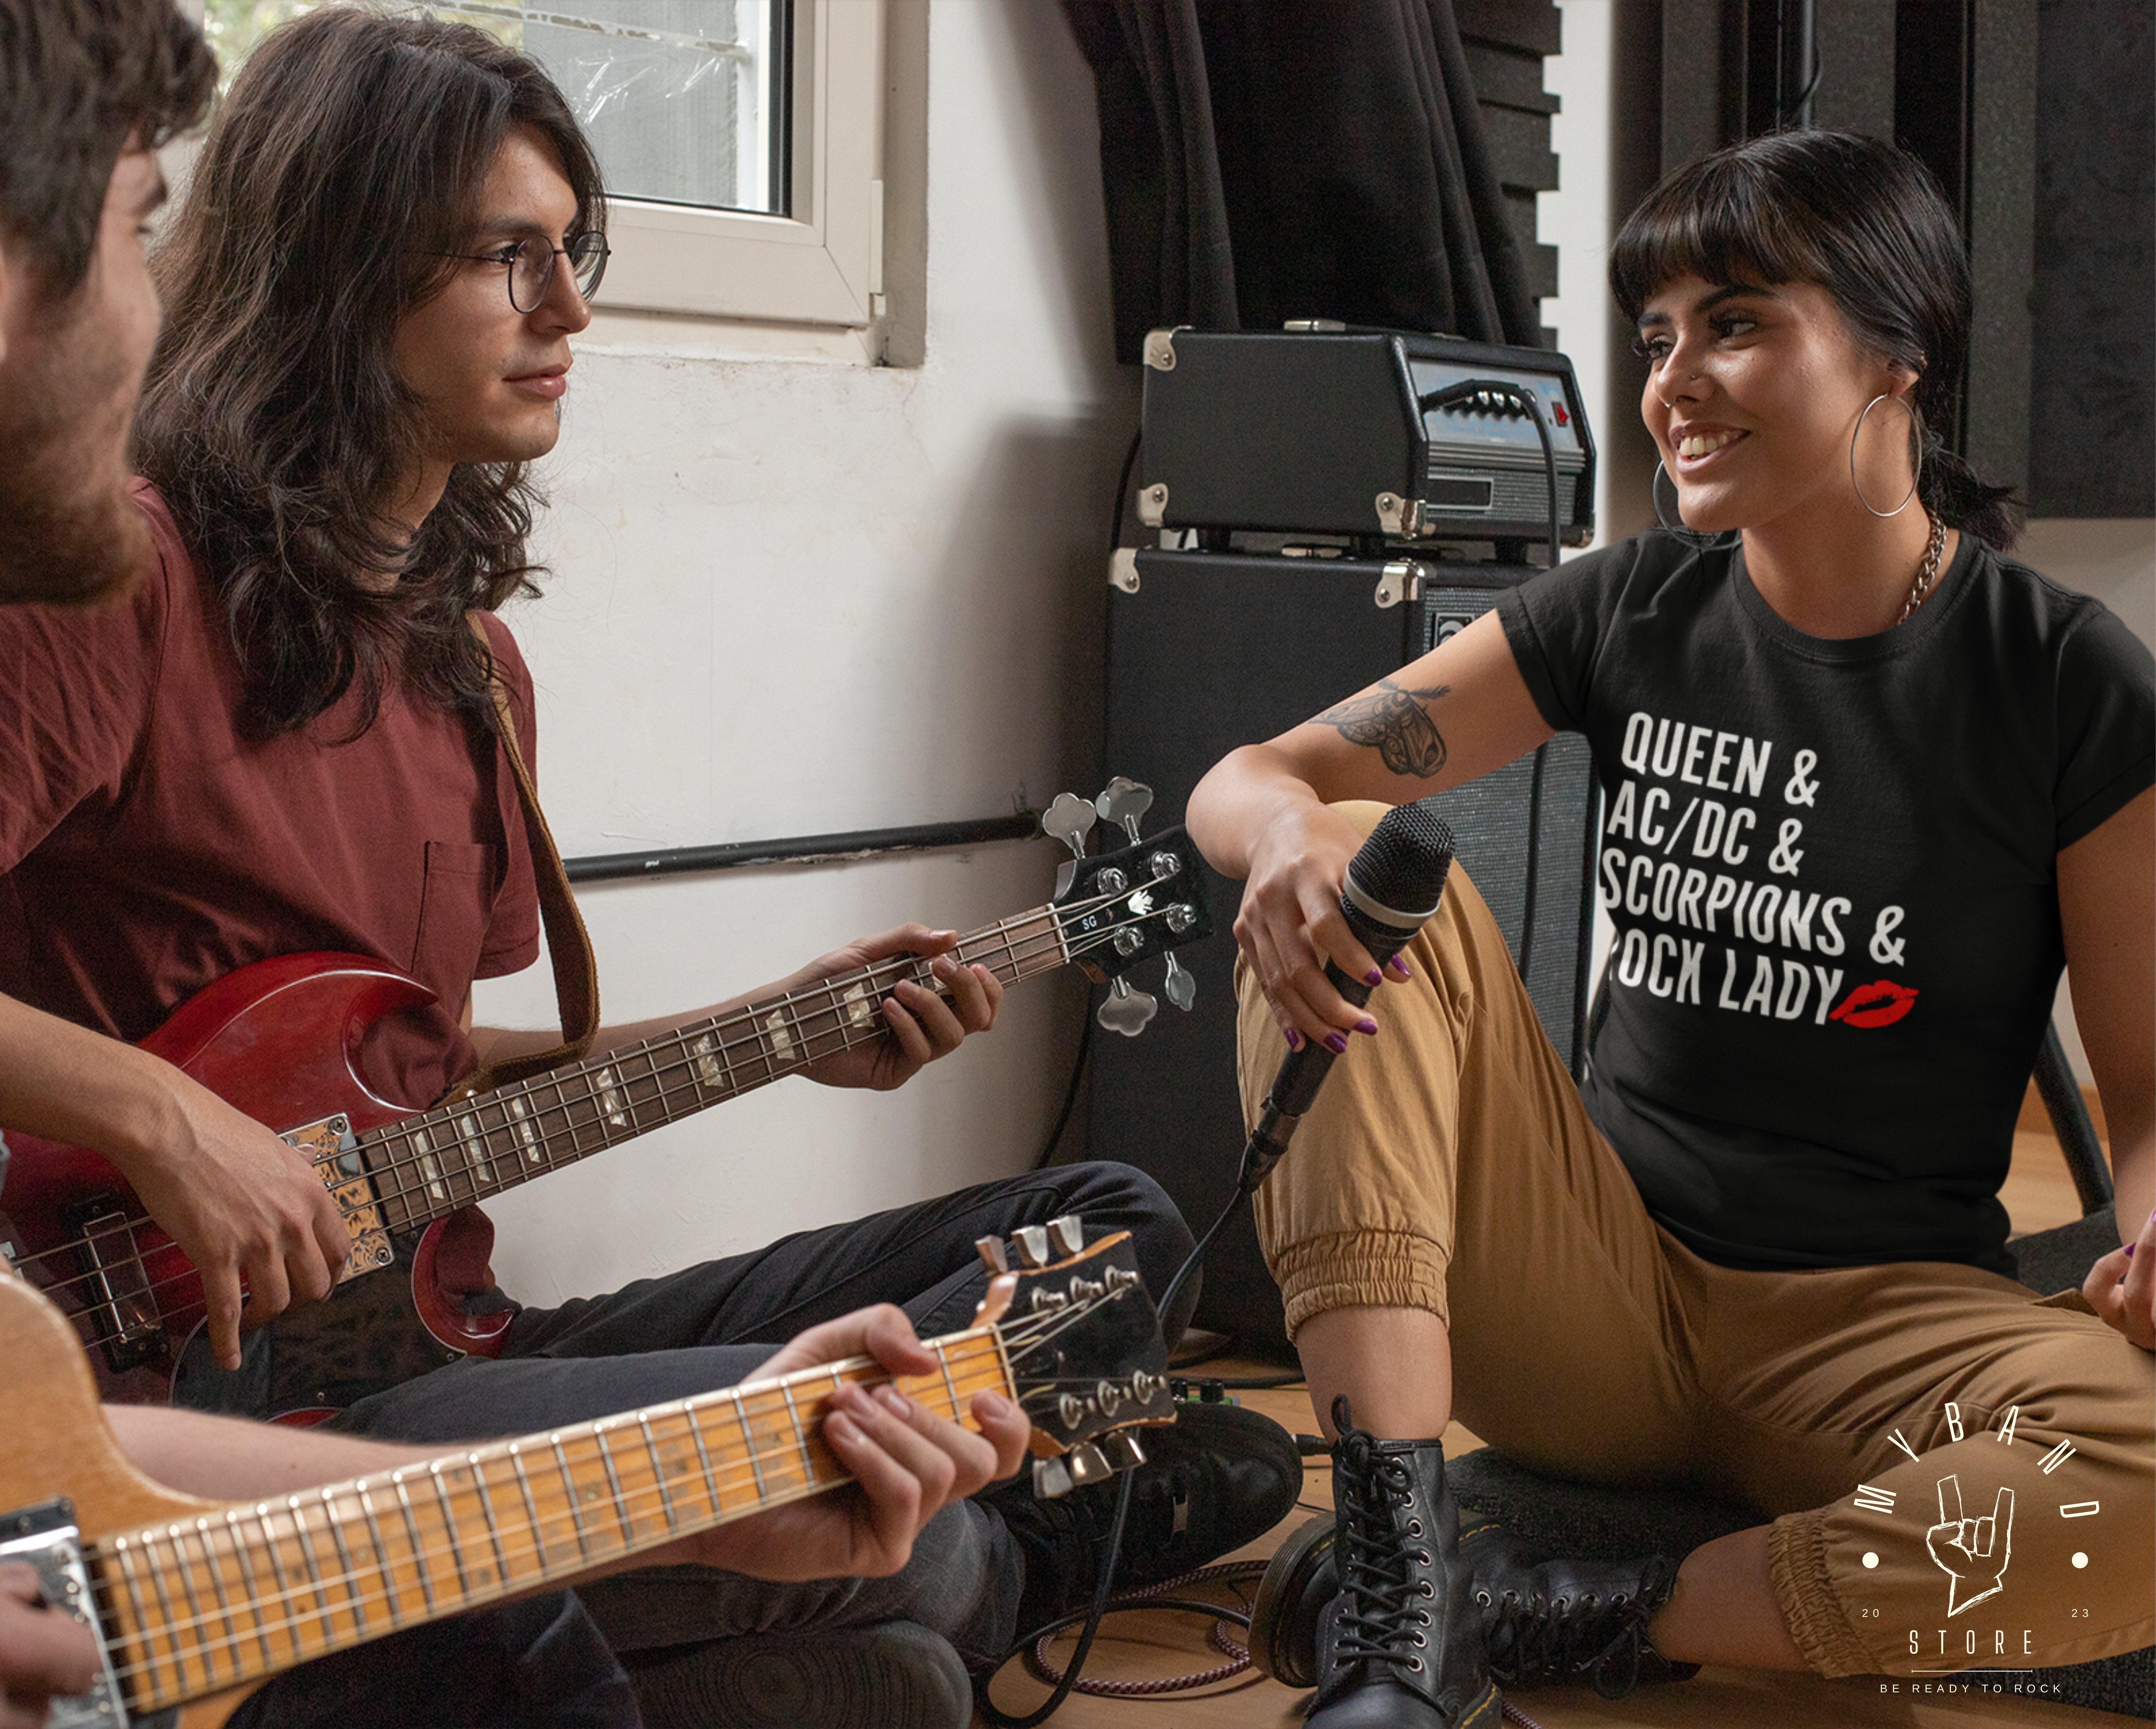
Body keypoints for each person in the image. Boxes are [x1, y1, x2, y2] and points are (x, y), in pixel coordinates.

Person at [0, 6, 1294, 1726]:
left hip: (428, 1327)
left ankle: (846, 1589)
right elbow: (206, 1116)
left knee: (1111, 1235)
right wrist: (161, 1122)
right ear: (344, 273)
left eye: (575, 254)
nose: (572, 313)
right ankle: (976, 1562)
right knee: (905, 1582)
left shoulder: (472, 667)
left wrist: (773, 1027)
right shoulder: (122, 582)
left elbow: (423, 1082)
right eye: (508, 260)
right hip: (183, 1391)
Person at [1188, 129, 2153, 1728]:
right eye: (1657, 338)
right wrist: (1287, 835)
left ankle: (1580, 1614)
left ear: (1898, 351)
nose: (1676, 381)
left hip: (1882, 1325)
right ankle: (1391, 1606)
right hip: (1594, 1288)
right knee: (1358, 855)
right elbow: (1257, 774)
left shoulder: (2062, 674)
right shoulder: (1631, 604)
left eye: (1740, 322)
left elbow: (2146, 1085)